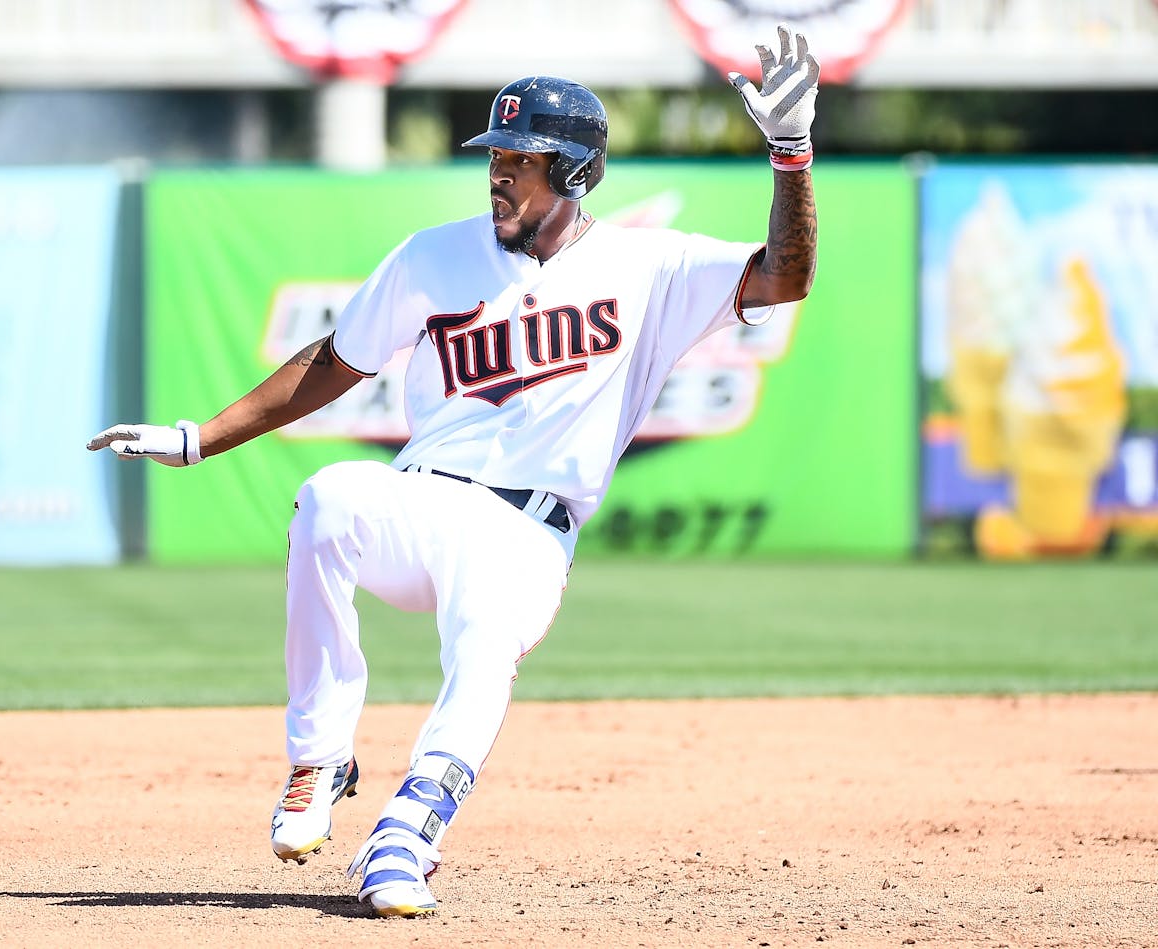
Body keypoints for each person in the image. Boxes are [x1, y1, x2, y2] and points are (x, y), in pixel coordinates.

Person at [88, 23, 819, 919]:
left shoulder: (652, 266)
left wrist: (791, 155)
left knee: (483, 646)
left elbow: (782, 277)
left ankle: (407, 834)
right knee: (327, 497)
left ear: (577, 171)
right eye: (495, 153)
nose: (499, 170)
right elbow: (334, 361)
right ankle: (320, 756)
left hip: (527, 532)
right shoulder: (434, 255)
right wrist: (201, 437)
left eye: (523, 155)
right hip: (423, 500)